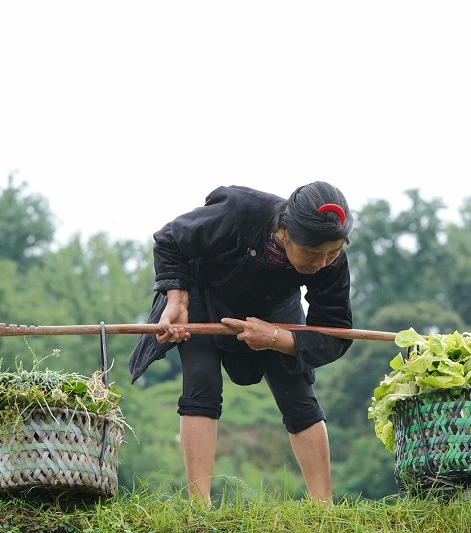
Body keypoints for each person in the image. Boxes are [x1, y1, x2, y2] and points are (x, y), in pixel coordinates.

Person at [128, 181, 354, 506]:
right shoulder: (238, 211)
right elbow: (170, 239)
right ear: (286, 232)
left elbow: (335, 334)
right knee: (201, 383)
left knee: (299, 398)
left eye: (333, 252)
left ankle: (325, 509)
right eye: (313, 252)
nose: (322, 262)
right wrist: (176, 299)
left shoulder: (332, 264)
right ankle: (199, 507)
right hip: (205, 297)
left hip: (276, 311)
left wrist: (277, 338)